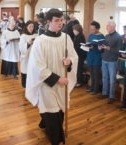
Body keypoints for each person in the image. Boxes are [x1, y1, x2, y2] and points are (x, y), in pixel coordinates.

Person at [26, 9, 78, 145]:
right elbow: (38, 66)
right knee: (52, 112)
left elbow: (74, 55)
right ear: (48, 22)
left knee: (60, 110)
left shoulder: (66, 38)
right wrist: (56, 79)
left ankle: (44, 123)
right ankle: (58, 141)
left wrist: (70, 61)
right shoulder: (40, 41)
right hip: (47, 83)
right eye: (56, 20)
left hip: (63, 81)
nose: (60, 23)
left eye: (61, 20)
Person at [98, 21, 122, 104]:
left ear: (113, 27)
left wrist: (109, 48)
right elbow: (104, 47)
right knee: (104, 77)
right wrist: (100, 47)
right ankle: (104, 93)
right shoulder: (106, 36)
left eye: (108, 26)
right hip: (104, 59)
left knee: (112, 80)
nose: (106, 27)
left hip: (112, 61)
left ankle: (111, 96)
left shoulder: (118, 37)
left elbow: (119, 51)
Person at [86, 21, 105, 95]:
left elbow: (102, 48)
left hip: (97, 57)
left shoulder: (101, 36)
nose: (92, 31)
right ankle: (91, 87)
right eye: (91, 29)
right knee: (91, 74)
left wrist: (95, 47)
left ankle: (96, 89)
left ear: (97, 29)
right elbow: (88, 43)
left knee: (96, 74)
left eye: (93, 29)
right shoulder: (90, 35)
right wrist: (87, 46)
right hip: (90, 56)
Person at [19, 21, 38, 88]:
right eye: (30, 26)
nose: (31, 28)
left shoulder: (36, 35)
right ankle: (25, 86)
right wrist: (28, 43)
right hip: (26, 57)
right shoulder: (23, 36)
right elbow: (21, 47)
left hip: (34, 56)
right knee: (26, 71)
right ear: (26, 27)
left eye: (32, 26)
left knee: (33, 72)